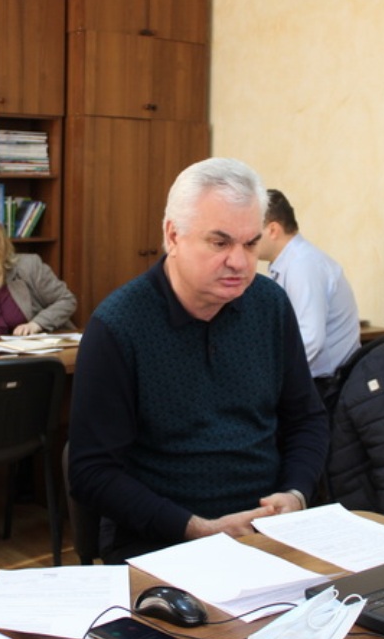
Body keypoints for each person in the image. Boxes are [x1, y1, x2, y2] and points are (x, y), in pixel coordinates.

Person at [67, 158, 329, 564]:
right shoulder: (119, 325)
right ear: (173, 236)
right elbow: (91, 472)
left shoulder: (270, 305)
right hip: (163, 540)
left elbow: (307, 418)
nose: (239, 262)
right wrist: (196, 528)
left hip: (269, 532)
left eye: (251, 244)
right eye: (220, 243)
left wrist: (295, 493)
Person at [258, 189, 361, 401]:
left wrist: (267, 379)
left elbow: (310, 340)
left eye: (251, 231)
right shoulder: (289, 263)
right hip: (320, 384)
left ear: (273, 230)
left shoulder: (302, 265)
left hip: (327, 389)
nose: (244, 240)